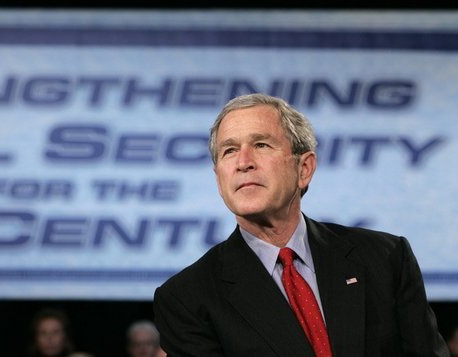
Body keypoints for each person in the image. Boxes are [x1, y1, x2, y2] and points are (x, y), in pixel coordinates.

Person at [153, 93, 449, 356]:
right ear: (219, 178)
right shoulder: (187, 298)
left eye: (261, 144)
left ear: (304, 169)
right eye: (229, 151)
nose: (243, 162)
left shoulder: (385, 258)